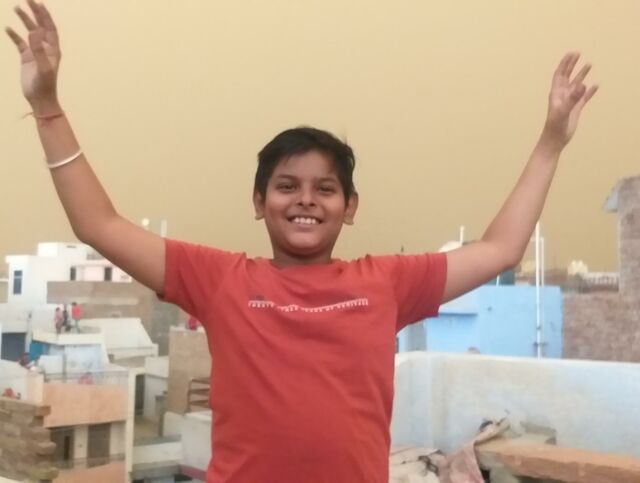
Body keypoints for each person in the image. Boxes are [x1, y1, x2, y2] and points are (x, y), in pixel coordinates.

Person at [5, 2, 597, 482]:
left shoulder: (386, 282)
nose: (306, 200)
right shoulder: (220, 279)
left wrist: (551, 141)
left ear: (350, 207)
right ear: (259, 201)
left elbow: (500, 249)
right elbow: (99, 225)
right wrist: (47, 106)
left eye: (325, 189)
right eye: (287, 186)